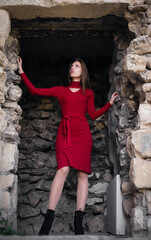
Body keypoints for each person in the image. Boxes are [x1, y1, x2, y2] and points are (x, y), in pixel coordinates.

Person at [17, 56, 119, 235]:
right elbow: (34, 91)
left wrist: (109, 104)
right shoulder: (60, 90)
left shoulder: (88, 93)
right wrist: (22, 71)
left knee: (82, 174)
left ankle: (78, 222)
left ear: (83, 71)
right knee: (62, 171)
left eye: (77, 66)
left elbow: (93, 115)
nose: (73, 68)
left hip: (82, 135)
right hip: (64, 134)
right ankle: (48, 220)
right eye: (71, 66)